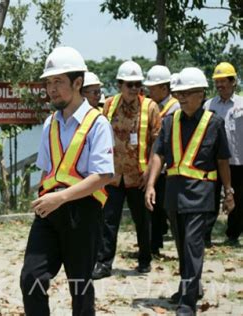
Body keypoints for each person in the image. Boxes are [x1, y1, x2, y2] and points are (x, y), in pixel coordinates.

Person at [20, 46, 114, 315]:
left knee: (80, 287)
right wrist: (45, 198)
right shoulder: (50, 123)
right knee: (31, 279)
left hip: (82, 213)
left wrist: (61, 197)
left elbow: (103, 175)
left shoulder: (97, 123)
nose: (51, 89)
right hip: (48, 212)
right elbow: (47, 171)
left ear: (77, 83)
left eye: (58, 81)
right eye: (48, 82)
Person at [145, 67, 234, 316]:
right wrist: (151, 184)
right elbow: (158, 154)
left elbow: (223, 160)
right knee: (182, 245)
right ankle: (189, 287)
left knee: (193, 245)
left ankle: (188, 302)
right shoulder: (170, 122)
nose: (181, 98)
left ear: (201, 94)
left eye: (187, 93)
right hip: (173, 194)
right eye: (178, 93)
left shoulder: (214, 123)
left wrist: (229, 191)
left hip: (201, 195)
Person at [92, 60, 161, 280]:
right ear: (120, 84)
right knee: (108, 221)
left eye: (137, 84)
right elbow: (100, 138)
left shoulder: (150, 107)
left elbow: (157, 144)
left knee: (142, 221)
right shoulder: (109, 105)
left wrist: (150, 174)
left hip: (139, 177)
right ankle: (103, 264)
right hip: (113, 177)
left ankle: (144, 259)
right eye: (129, 84)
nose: (133, 89)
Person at [203, 62, 242, 246]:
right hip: (214, 161)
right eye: (217, 82)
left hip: (238, 160)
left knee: (239, 198)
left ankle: (233, 234)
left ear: (233, 82)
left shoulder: (242, 104)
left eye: (223, 81)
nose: (219, 86)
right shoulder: (208, 105)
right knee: (210, 198)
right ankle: (205, 236)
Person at [144, 65, 180, 255]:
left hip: (167, 166)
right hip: (155, 163)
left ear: (164, 88)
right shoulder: (153, 107)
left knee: (163, 208)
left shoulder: (174, 107)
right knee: (154, 208)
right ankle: (154, 244)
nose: (149, 91)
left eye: (153, 87)